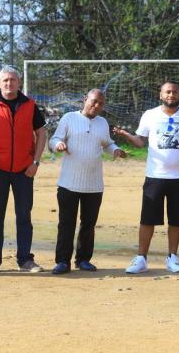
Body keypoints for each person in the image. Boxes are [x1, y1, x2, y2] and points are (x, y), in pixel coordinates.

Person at [114, 81, 179, 274]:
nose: (171, 95)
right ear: (160, 94)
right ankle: (141, 258)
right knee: (147, 219)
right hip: (155, 176)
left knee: (177, 219)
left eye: (174, 92)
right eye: (167, 92)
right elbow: (140, 142)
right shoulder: (150, 115)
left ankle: (172, 257)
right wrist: (126, 135)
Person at [0, 65, 46, 273]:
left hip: (24, 171)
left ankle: (25, 260)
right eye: (5, 80)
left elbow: (41, 133)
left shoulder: (30, 105)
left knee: (24, 216)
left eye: (13, 80)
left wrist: (36, 162)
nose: (9, 83)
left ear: (19, 83)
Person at [49, 89, 126, 274]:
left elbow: (107, 143)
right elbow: (54, 139)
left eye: (100, 103)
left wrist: (115, 150)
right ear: (85, 100)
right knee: (66, 223)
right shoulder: (69, 118)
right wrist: (58, 144)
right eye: (93, 101)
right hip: (69, 183)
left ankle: (83, 259)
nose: (96, 105)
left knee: (88, 224)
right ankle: (62, 261)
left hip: (94, 184)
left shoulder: (102, 123)